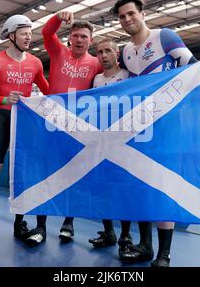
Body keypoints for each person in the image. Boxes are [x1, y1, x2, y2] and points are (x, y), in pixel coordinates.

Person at [112, 0, 200, 267]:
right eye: (122, 17)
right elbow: (123, 87)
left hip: (168, 125)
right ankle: (145, 245)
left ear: (142, 13)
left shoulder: (165, 37)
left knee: (163, 184)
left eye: (130, 14)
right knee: (140, 183)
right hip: (138, 128)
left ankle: (164, 254)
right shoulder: (125, 52)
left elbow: (194, 67)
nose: (127, 20)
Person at [24, 10, 102, 247]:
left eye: (84, 37)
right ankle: (40, 227)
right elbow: (47, 32)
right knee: (46, 174)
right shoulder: (58, 52)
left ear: (91, 40)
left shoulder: (96, 64)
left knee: (73, 176)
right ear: (69, 38)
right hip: (51, 124)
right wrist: (58, 17)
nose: (79, 40)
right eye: (76, 36)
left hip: (78, 128)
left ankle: (68, 223)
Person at [0, 14, 49, 242]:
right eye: (24, 33)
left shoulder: (35, 62)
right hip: (1, 118)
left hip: (24, 122)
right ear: (11, 35)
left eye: (30, 33)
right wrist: (5, 99)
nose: (29, 37)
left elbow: (48, 89)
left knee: (22, 174)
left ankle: (20, 223)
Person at [87, 38, 133, 255]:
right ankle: (108, 232)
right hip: (100, 141)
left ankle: (125, 234)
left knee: (122, 189)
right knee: (102, 188)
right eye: (99, 52)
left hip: (122, 141)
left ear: (117, 53)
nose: (103, 55)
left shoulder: (127, 76)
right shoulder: (95, 79)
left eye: (108, 51)